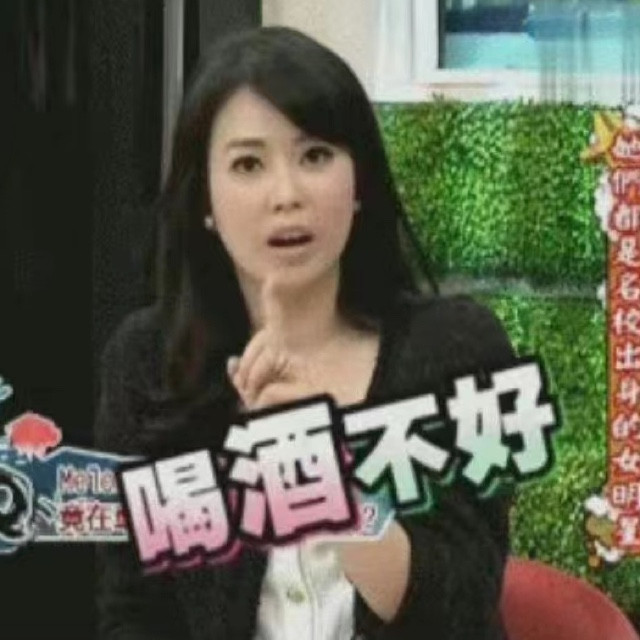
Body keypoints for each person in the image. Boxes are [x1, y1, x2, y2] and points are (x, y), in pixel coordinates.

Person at [94, 26, 516, 640]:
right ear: (205, 199)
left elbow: (461, 606)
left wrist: (319, 468)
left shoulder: (456, 347)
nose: (287, 195)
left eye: (315, 156)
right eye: (247, 164)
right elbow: (133, 613)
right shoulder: (148, 362)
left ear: (359, 181)